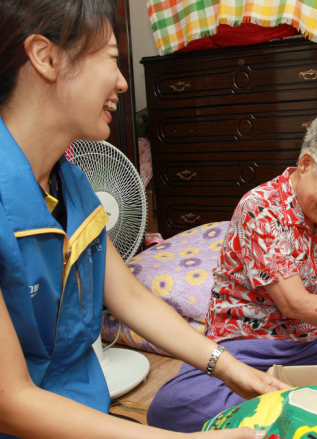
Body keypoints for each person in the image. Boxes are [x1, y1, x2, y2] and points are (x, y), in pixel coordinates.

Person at [0, 1, 290, 438]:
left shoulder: (72, 184)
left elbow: (131, 299)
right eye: (112, 58)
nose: (121, 81)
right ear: (46, 56)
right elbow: (11, 400)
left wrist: (229, 367)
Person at [146, 111, 317, 433]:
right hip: (249, 344)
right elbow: (296, 304)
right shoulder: (261, 209)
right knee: (172, 409)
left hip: (313, 339)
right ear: (306, 164)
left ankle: (291, 401)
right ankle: (314, 400)